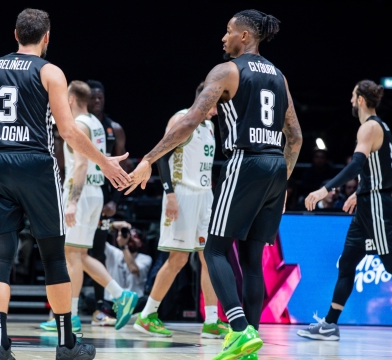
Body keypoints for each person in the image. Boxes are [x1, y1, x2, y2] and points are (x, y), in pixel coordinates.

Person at [126, 10, 302, 359]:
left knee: (214, 250)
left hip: (246, 161)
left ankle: (237, 329)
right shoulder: (280, 77)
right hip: (275, 167)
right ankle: (249, 341)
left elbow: (190, 120)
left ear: (246, 37)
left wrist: (147, 158)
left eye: (229, 31)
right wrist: (283, 181)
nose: (224, 38)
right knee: (252, 259)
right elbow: (294, 136)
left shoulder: (227, 71)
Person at [0, 9, 129, 360]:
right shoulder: (50, 71)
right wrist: (104, 161)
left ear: (15, 34)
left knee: (0, 257)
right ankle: (66, 344)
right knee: (54, 256)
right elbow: (68, 132)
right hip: (35, 165)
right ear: (47, 38)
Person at [298, 80, 392, 344]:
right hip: (367, 205)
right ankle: (330, 325)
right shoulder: (377, 126)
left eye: (352, 95)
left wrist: (325, 190)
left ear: (360, 99)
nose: (349, 100)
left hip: (378, 206)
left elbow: (357, 164)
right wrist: (358, 195)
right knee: (347, 263)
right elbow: (375, 169)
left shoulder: (369, 127)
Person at [40, 81, 138, 334]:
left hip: (81, 195)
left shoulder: (79, 124)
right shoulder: (96, 123)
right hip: (95, 193)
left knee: (72, 255)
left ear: (70, 99)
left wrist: (72, 201)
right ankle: (79, 312)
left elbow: (82, 165)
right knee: (79, 255)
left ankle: (98, 304)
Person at [134, 82, 229, 339]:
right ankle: (147, 315)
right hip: (181, 194)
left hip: (203, 195)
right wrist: (170, 194)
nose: (217, 112)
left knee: (209, 257)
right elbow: (162, 156)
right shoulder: (180, 118)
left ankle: (211, 321)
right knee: (178, 259)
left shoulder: (208, 126)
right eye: (215, 105)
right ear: (204, 100)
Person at [86, 79, 131, 322]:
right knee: (72, 253)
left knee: (97, 252)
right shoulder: (80, 125)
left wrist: (114, 201)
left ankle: (101, 307)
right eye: (92, 98)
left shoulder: (114, 128)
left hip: (101, 198)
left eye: (100, 98)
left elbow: (122, 170)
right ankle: (61, 310)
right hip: (82, 193)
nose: (96, 102)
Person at [104, 223, 151, 314]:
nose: (130, 239)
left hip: (134, 302)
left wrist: (123, 246)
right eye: (129, 236)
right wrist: (112, 226)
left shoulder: (146, 258)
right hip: (112, 301)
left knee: (146, 300)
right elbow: (97, 239)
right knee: (92, 298)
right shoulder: (113, 252)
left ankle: (126, 314)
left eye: (135, 237)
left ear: (141, 243)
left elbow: (133, 269)